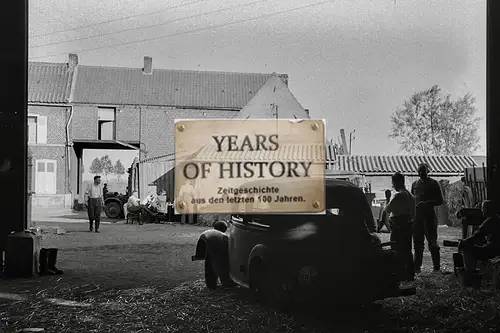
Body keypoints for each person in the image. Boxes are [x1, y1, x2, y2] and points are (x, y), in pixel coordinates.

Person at [411, 163, 444, 273]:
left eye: (423, 171)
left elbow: (440, 200)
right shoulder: (415, 184)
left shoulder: (434, 183)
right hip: (417, 218)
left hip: (429, 217)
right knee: (417, 244)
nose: (421, 173)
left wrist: (426, 203)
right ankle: (417, 267)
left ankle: (436, 267)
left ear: (428, 171)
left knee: (433, 243)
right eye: (419, 171)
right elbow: (412, 200)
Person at [459, 200, 500, 286]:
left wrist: (464, 242)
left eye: (482, 208)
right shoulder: (497, 218)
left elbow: (476, 237)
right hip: (496, 248)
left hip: (493, 251)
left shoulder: (490, 221)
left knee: (467, 247)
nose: (482, 211)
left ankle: (470, 274)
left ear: (486, 210)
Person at [385, 172, 416, 281]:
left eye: (393, 182)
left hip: (397, 226)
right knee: (407, 250)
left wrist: (387, 198)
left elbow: (387, 209)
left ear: (397, 182)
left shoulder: (398, 196)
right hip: (408, 225)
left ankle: (399, 274)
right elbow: (414, 214)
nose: (393, 185)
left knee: (396, 249)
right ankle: (410, 274)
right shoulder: (411, 196)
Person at [199, 221, 235, 288]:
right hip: (220, 253)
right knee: (222, 266)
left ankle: (211, 284)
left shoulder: (209, 233)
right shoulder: (225, 237)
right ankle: (225, 283)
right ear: (224, 229)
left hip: (208, 246)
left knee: (209, 264)